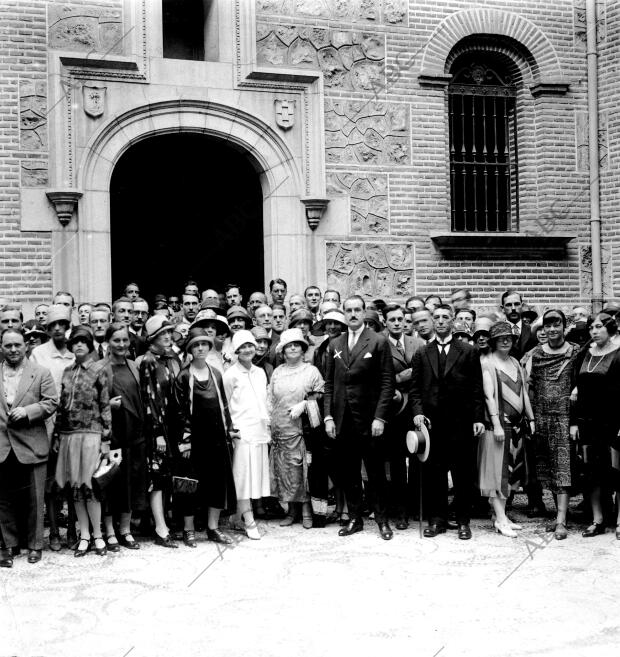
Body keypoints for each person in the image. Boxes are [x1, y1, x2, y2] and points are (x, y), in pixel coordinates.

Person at [410, 304, 485, 540]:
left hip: (460, 423)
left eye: (445, 317)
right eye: (437, 317)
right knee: (434, 474)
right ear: (432, 321)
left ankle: (463, 521)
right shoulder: (423, 353)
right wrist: (417, 413)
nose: (441, 321)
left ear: (453, 320)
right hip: (433, 425)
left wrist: (477, 418)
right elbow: (415, 390)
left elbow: (476, 388)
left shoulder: (467, 351)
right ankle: (437, 520)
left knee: (462, 474)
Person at [324, 295, 395, 540]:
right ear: (344, 313)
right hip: (344, 420)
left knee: (375, 473)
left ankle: (383, 521)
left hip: (369, 420)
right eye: (349, 310)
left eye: (357, 310)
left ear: (364, 312)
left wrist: (380, 418)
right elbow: (329, 384)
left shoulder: (378, 341)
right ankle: (355, 518)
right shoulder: (335, 344)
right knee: (349, 472)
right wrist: (328, 417)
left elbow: (388, 383)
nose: (353, 314)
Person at [0, 329, 58, 567]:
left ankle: (35, 545)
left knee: (35, 498)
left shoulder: (40, 372)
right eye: (8, 346)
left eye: (17, 345)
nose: (13, 350)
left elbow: (52, 401)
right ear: (1, 348)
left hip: (32, 443)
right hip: (2, 445)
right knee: (3, 499)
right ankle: (10, 543)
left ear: (26, 346)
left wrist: (28, 412)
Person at [174, 327, 236, 546]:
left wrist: (229, 429)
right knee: (190, 484)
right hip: (194, 440)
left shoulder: (215, 373)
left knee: (217, 483)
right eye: (195, 345)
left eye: (204, 344)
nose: (200, 348)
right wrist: (185, 440)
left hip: (216, 438)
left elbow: (224, 406)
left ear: (209, 347)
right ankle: (188, 529)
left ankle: (213, 527)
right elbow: (180, 412)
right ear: (190, 349)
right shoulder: (184, 376)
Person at [54, 326, 112, 557]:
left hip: (92, 434)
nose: (79, 345)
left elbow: (105, 405)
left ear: (89, 345)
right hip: (69, 436)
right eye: (75, 342)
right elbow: (61, 405)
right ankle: (84, 535)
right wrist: (58, 434)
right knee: (76, 488)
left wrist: (106, 439)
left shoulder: (99, 370)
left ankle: (98, 535)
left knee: (91, 487)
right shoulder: (67, 371)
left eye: (83, 342)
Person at [528, 309, 581, 539]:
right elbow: (523, 380)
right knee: (547, 468)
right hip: (541, 418)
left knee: (563, 468)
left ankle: (561, 520)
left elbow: (582, 379)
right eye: (547, 325)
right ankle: (558, 514)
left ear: (564, 326)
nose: (551, 329)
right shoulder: (536, 354)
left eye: (556, 324)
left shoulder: (575, 352)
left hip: (564, 417)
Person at [479, 322, 535, 537]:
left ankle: (500, 515)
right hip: (500, 427)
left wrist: (530, 419)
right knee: (497, 473)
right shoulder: (488, 363)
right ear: (493, 341)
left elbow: (524, 395)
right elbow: (489, 397)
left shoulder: (515, 362)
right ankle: (500, 519)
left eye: (509, 338)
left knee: (511, 473)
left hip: (518, 426)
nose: (505, 341)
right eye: (500, 338)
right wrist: (496, 424)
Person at [269, 328, 325, 529]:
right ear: (282, 351)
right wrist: (269, 421)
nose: (292, 348)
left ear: (303, 349)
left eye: (296, 345)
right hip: (280, 429)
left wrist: (305, 404)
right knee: (285, 471)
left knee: (302, 469)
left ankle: (306, 509)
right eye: (288, 346)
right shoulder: (277, 371)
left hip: (302, 429)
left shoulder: (311, 371)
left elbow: (322, 394)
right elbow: (270, 398)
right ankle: (291, 510)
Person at [31, 304, 75, 550]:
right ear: (47, 329)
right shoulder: (38, 353)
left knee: (69, 477)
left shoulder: (75, 351)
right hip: (46, 423)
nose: (58, 329)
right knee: (50, 478)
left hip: (70, 423)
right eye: (53, 325)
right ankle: (54, 532)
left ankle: (71, 529)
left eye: (63, 324)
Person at [100, 323, 147, 551]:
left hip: (134, 434)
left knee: (132, 481)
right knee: (111, 482)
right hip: (112, 434)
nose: (121, 345)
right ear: (108, 342)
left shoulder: (133, 366)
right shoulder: (99, 368)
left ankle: (125, 530)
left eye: (125, 340)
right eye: (116, 340)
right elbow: (89, 403)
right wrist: (107, 405)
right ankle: (109, 531)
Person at [574, 313, 620, 539]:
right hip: (588, 424)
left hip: (612, 422)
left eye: (599, 326)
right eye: (591, 327)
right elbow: (575, 388)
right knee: (591, 472)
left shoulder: (618, 354)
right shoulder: (585, 353)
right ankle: (598, 519)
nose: (594, 331)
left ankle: (619, 520)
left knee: (617, 472)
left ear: (610, 328)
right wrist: (575, 421)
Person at [223, 330, 271, 540]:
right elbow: (224, 406)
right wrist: (231, 430)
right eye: (242, 347)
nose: (247, 350)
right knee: (242, 478)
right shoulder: (230, 374)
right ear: (235, 350)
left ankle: (236, 517)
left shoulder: (260, 372)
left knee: (253, 477)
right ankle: (249, 522)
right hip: (241, 433)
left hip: (259, 431)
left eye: (250, 345)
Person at [139, 315, 181, 548]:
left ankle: (164, 521)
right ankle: (160, 527)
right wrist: (157, 434)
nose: (167, 337)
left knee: (165, 476)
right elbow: (149, 400)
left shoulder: (168, 359)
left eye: (169, 333)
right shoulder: (148, 361)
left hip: (170, 426)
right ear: (152, 339)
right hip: (157, 428)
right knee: (156, 477)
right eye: (161, 334)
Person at [382, 304, 424, 529]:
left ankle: (418, 507)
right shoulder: (380, 343)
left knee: (419, 458)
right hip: (395, 409)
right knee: (398, 462)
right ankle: (400, 512)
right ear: (385, 322)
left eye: (401, 319)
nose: (397, 323)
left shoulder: (418, 343)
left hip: (416, 407)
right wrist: (398, 380)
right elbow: (378, 377)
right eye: (392, 320)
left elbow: (426, 373)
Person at [500, 290, 538, 360]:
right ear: (502, 309)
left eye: (517, 304)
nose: (513, 308)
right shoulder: (498, 332)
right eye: (509, 305)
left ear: (522, 306)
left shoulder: (532, 331)